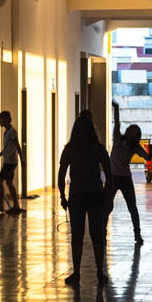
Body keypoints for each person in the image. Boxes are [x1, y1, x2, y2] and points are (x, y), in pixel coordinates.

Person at [58, 116, 114, 285]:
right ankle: (99, 273)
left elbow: (61, 175)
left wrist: (62, 196)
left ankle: (76, 273)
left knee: (77, 236)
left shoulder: (69, 149)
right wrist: (108, 196)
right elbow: (109, 175)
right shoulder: (98, 149)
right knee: (97, 236)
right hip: (96, 195)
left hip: (76, 195)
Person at [108, 101, 151, 245]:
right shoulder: (117, 138)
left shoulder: (135, 147)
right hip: (113, 177)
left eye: (134, 130)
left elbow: (148, 158)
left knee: (132, 207)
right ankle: (101, 231)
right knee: (107, 206)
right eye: (131, 129)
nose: (131, 130)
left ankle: (137, 234)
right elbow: (117, 122)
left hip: (125, 178)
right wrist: (117, 108)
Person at [0, 110, 23, 213]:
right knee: (9, 182)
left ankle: (1, 204)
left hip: (11, 162)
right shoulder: (6, 132)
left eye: (1, 120)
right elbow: (7, 149)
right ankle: (16, 205)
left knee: (0, 181)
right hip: (9, 160)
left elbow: (17, 146)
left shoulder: (12, 132)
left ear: (7, 120)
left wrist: (22, 160)